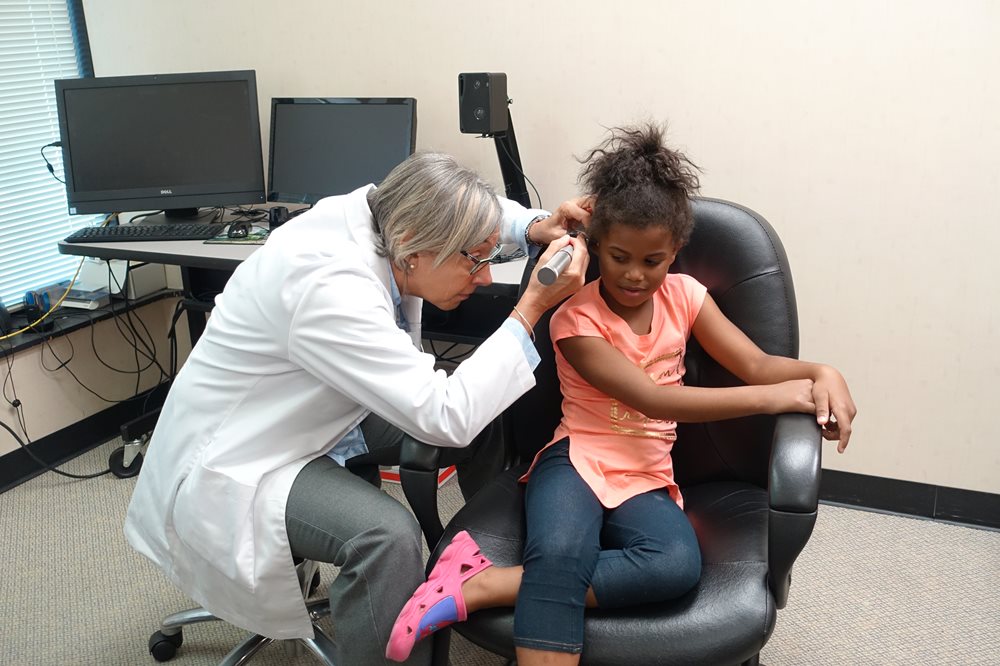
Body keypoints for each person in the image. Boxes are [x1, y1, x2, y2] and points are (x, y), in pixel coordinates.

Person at [386, 124, 857, 664]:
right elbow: (655, 401)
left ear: (674, 250)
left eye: (652, 261)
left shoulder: (687, 296)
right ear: (595, 247)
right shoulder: (574, 317)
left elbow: (754, 364)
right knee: (561, 555)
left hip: (645, 474)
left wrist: (823, 372)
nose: (634, 275)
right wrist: (780, 398)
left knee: (674, 565)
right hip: (575, 461)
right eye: (618, 256)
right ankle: (513, 586)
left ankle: (483, 585)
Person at [124, 151, 591, 666]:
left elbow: (471, 212)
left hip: (321, 407)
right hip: (244, 458)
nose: (483, 278)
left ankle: (472, 565)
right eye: (475, 261)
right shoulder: (329, 286)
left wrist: (534, 224)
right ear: (413, 251)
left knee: (490, 416)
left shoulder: (382, 211)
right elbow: (444, 416)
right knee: (385, 538)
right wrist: (530, 308)